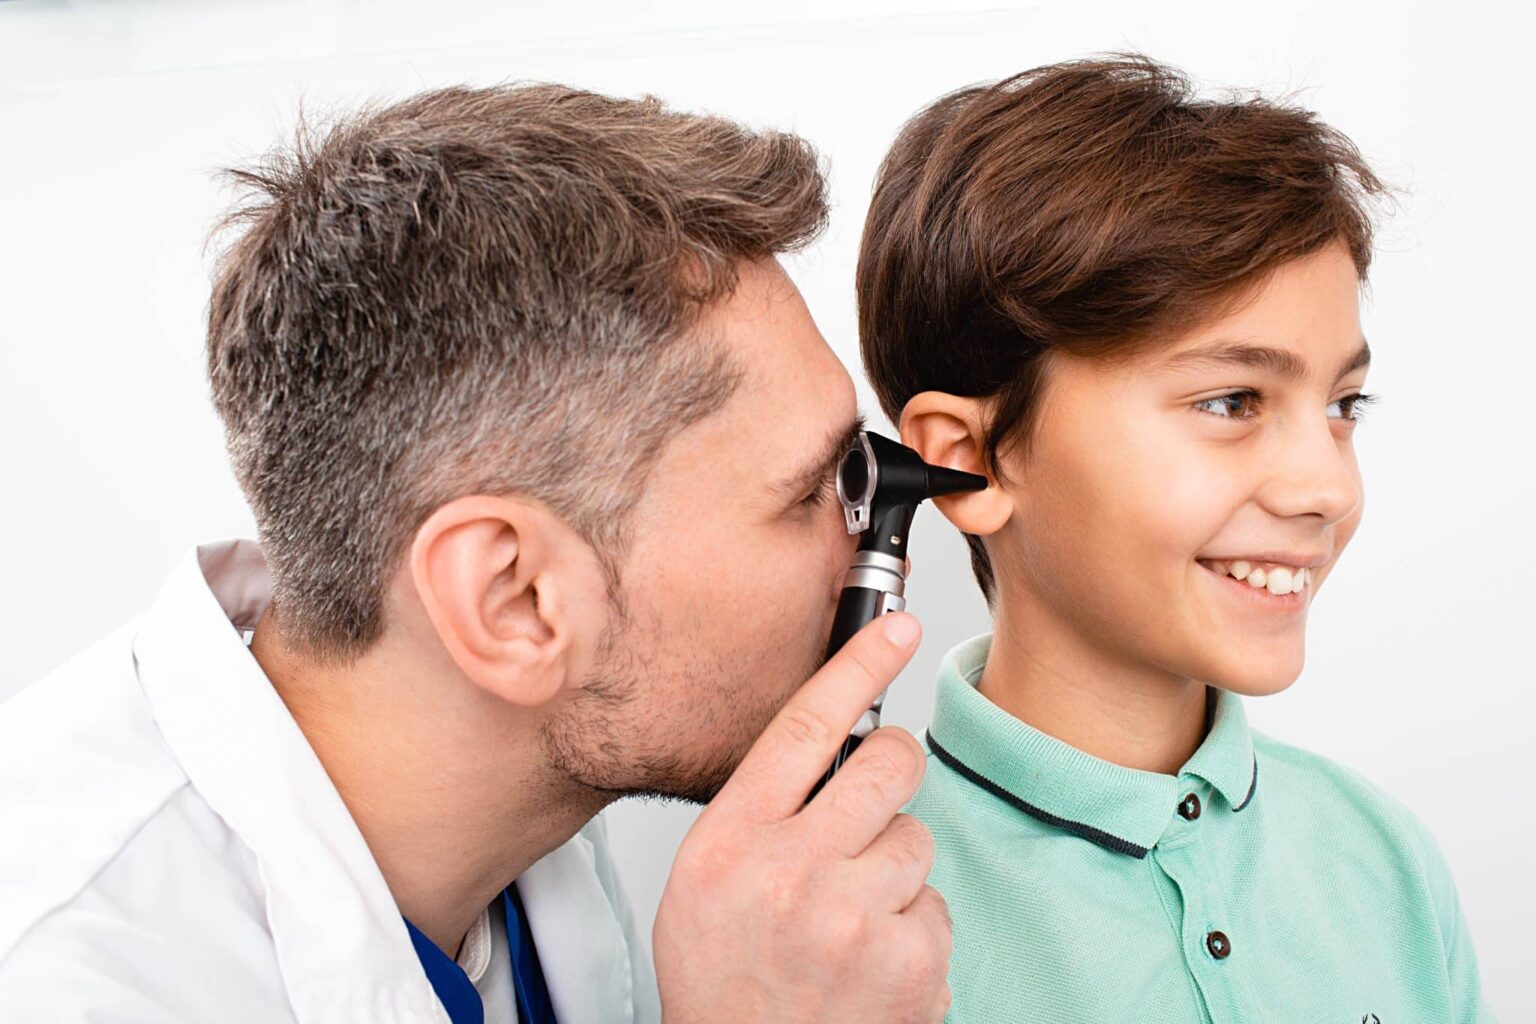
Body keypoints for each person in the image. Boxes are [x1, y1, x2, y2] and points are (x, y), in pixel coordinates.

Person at [0, 84, 952, 1023]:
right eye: (808, 492)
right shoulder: (60, 978)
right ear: (513, 600)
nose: (870, 535)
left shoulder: (525, 818)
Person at [855, 55, 1498, 1022]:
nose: (1328, 486)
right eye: (1232, 400)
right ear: (972, 460)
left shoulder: (1383, 858)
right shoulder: (852, 915)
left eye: (1342, 404)